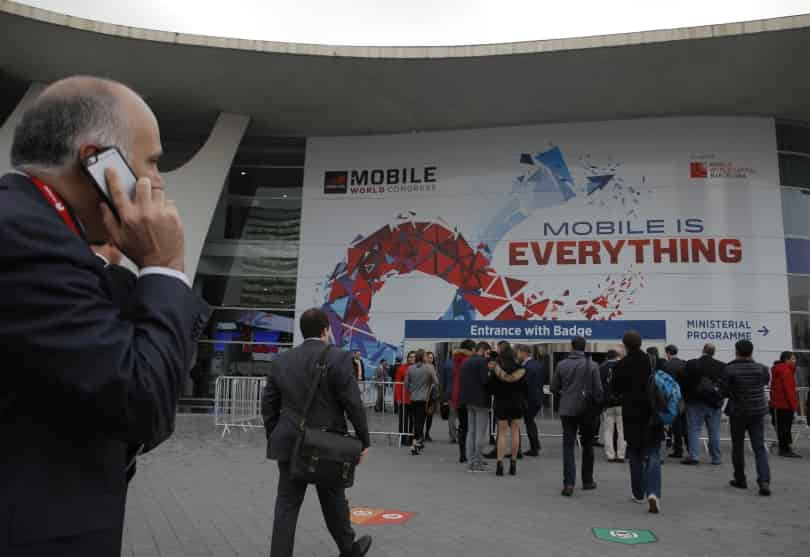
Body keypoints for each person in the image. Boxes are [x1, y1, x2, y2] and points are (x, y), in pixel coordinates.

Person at [0, 76, 209, 556]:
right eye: (153, 161)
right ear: (96, 161)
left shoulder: (40, 233)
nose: (158, 182)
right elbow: (143, 402)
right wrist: (164, 266)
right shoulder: (24, 240)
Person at [261, 308, 372, 557]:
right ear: (325, 330)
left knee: (286, 506)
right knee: (333, 498)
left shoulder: (282, 360)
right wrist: (363, 441)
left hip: (290, 442)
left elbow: (268, 405)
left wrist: (276, 435)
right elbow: (352, 403)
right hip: (328, 443)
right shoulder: (339, 357)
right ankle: (348, 549)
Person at [613, 331, 664, 514]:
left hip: (632, 414)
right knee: (653, 453)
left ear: (625, 345)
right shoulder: (654, 361)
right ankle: (654, 493)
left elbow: (615, 390)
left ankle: (638, 493)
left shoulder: (621, 365)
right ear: (641, 343)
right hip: (653, 413)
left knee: (634, 454)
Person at [551, 336, 603, 496]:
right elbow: (598, 390)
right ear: (585, 347)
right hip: (586, 410)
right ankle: (587, 481)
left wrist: (565, 394)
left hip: (567, 409)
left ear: (571, 346)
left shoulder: (561, 364)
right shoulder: (592, 365)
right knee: (587, 444)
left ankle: (568, 484)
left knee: (568, 446)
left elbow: (554, 387)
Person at [725, 340, 772, 496]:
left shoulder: (729, 369)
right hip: (758, 412)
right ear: (751, 352)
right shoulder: (762, 369)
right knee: (759, 447)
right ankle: (764, 481)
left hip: (738, 413)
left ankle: (740, 479)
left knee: (737, 447)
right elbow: (765, 382)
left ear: (736, 351)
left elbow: (724, 390)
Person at [681, 343, 727, 465]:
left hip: (695, 402)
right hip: (713, 403)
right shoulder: (721, 366)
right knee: (714, 431)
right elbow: (724, 385)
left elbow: (684, 383)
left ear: (703, 351)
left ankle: (694, 456)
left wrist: (686, 398)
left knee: (694, 430)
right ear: (713, 352)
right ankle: (716, 458)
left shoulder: (691, 364)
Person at [490, 344, 528, 476]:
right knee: (515, 432)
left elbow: (492, 388)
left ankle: (499, 465)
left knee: (501, 434)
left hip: (501, 402)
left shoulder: (496, 369)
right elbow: (525, 388)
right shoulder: (521, 369)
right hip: (516, 403)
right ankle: (513, 465)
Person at [458, 341, 492, 472]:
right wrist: (490, 373)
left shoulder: (466, 362)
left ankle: (470, 461)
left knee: (471, 432)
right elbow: (485, 381)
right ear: (483, 350)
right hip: (481, 401)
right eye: (487, 352)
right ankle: (478, 462)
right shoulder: (482, 362)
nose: (487, 355)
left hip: (468, 400)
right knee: (480, 434)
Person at [405, 349, 439, 454]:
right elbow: (436, 382)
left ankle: (418, 442)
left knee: (416, 420)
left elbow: (406, 384)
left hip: (413, 398)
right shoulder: (429, 368)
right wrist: (430, 386)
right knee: (421, 421)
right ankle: (415, 443)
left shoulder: (410, 368)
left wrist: (412, 391)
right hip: (425, 398)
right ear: (424, 357)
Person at [771, 351, 801, 458]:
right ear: (786, 360)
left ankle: (784, 448)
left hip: (779, 403)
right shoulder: (786, 371)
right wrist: (795, 406)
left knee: (782, 427)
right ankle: (785, 449)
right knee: (785, 427)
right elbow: (789, 391)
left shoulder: (779, 369)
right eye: (793, 359)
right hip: (785, 404)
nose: (795, 361)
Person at [516, 344, 545, 456]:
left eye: (518, 352)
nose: (518, 355)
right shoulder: (538, 364)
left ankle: (534, 448)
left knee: (528, 422)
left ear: (524, 353)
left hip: (529, 399)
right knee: (530, 421)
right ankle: (535, 445)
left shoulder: (526, 367)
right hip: (537, 397)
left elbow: (525, 384)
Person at [599, 348, 626, 463]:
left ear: (607, 357)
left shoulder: (601, 368)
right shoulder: (624, 366)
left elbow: (599, 386)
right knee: (622, 431)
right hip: (622, 403)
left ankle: (610, 454)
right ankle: (621, 455)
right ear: (616, 356)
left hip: (607, 404)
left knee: (608, 430)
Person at [451, 340, 475, 461]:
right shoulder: (469, 360)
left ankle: (462, 454)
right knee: (472, 426)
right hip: (469, 395)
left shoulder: (456, 359)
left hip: (458, 395)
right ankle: (470, 453)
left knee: (463, 426)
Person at [663, 345, 689, 459]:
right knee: (685, 424)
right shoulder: (684, 364)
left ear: (668, 352)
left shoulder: (666, 365)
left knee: (676, 425)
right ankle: (690, 448)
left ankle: (678, 449)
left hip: (673, 399)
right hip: (684, 398)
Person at [394, 351, 415, 446]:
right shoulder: (401, 368)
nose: (412, 359)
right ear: (407, 358)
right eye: (410, 357)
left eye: (414, 357)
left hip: (415, 399)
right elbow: (398, 384)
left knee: (413, 420)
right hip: (404, 398)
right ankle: (402, 439)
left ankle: (411, 439)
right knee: (403, 420)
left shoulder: (418, 368)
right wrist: (398, 398)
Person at [424, 350, 440, 441]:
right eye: (429, 357)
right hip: (424, 394)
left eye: (432, 358)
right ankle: (422, 433)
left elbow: (436, 382)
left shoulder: (434, 367)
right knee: (423, 415)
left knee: (430, 416)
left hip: (432, 395)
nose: (430, 359)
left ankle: (427, 433)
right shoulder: (424, 367)